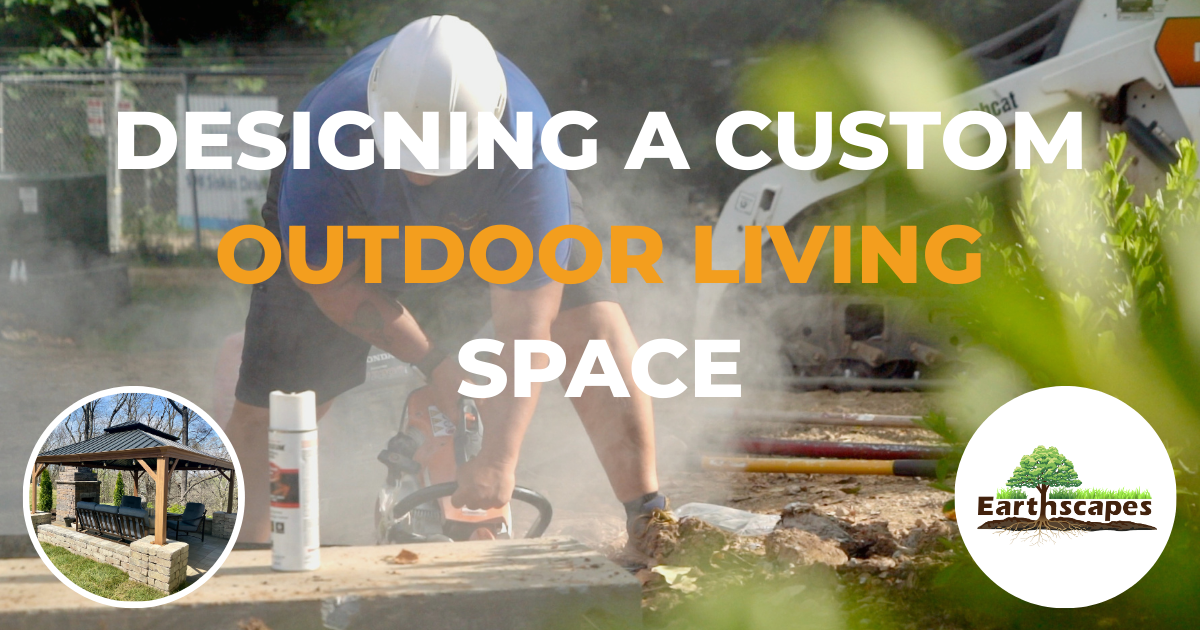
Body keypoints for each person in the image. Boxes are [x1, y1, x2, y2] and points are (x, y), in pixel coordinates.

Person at [223, 15, 669, 562]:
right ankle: (246, 554)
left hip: (491, 209)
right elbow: (332, 285)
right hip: (351, 222)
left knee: (589, 327)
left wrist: (500, 461)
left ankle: (649, 517)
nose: (420, 178)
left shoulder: (528, 147)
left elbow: (527, 326)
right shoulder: (324, 138)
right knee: (280, 396)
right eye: (408, 156)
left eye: (437, 161)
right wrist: (437, 364)